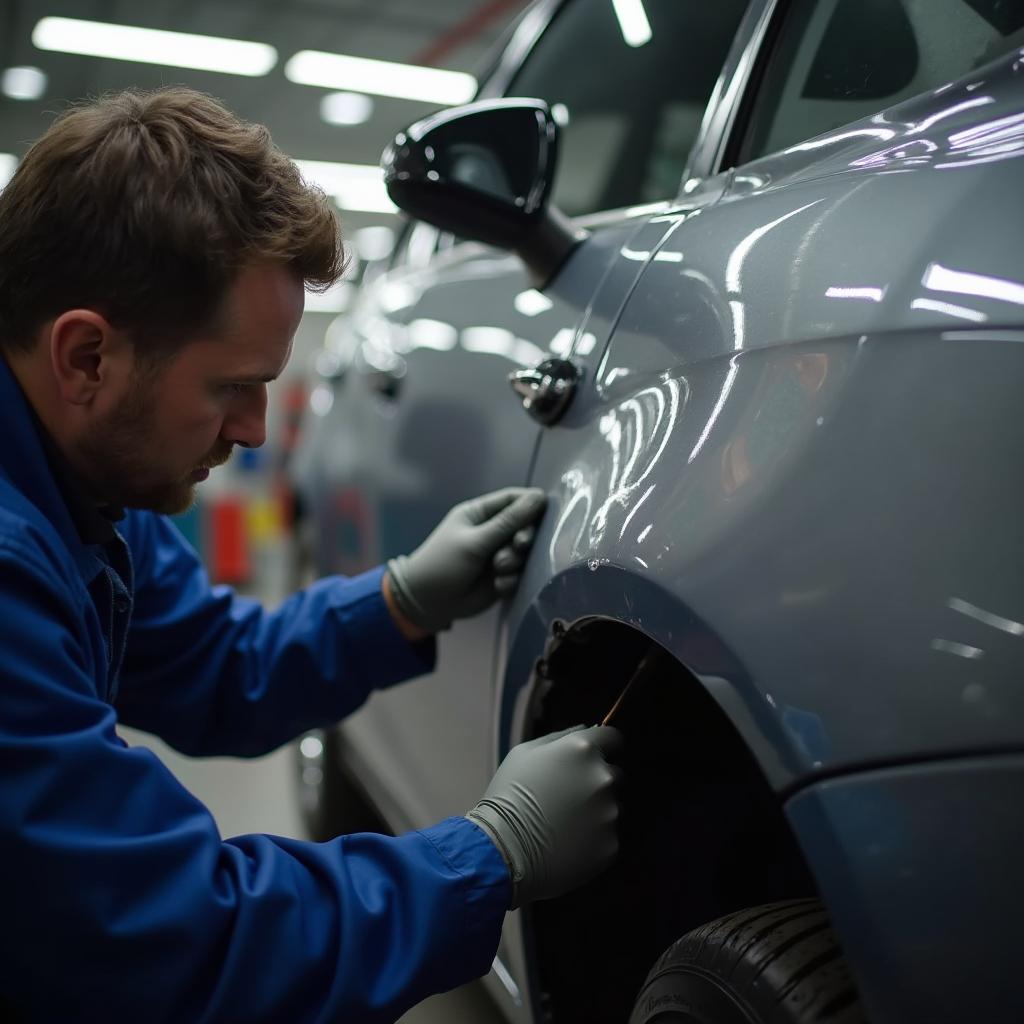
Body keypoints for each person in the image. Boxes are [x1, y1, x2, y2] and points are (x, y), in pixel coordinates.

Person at [0, 88, 623, 1023]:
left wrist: (401, 601)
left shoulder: (85, 480)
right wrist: (493, 852)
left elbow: (207, 666)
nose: (256, 432)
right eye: (233, 387)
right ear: (86, 357)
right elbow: (171, 943)